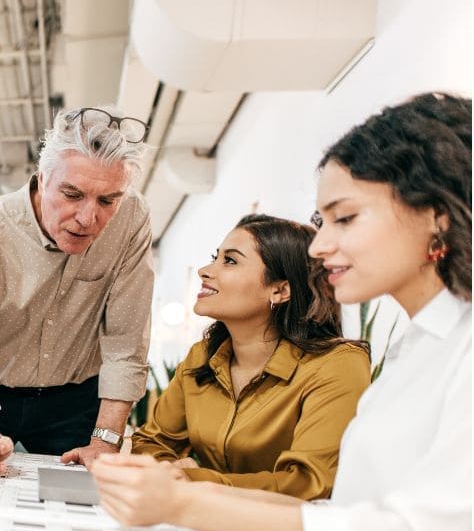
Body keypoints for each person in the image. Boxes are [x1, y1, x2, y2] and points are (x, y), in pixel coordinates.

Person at [93, 92, 471, 531]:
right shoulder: (418, 349)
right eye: (322, 221)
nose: (321, 244)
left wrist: (183, 501)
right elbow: (340, 514)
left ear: (435, 212)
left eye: (345, 219)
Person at [0, 105, 155, 475]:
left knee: (86, 500)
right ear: (42, 179)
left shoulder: (133, 218)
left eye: (107, 201)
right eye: (73, 194)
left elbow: (126, 344)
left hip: (76, 400)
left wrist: (105, 442)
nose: (89, 219)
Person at [130, 213, 370, 499]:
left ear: (280, 290)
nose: (205, 270)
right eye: (214, 257)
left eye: (230, 261)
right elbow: (152, 441)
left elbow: (309, 482)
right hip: (205, 517)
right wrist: (172, 469)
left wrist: (195, 480)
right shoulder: (202, 357)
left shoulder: (339, 364)